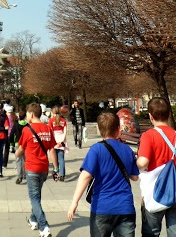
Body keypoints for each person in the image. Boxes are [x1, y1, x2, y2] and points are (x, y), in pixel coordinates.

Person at [67, 111, 139, 237]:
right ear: (118, 129)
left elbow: (85, 176)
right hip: (125, 207)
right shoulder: (127, 149)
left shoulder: (96, 149)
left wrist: (74, 202)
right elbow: (134, 177)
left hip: (102, 206)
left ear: (100, 130)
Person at [16, 102, 59, 237]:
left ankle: (44, 226)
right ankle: (33, 220)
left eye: (28, 114)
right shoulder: (47, 129)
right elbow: (52, 149)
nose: (26, 116)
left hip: (32, 168)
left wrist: (16, 154)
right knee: (37, 196)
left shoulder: (27, 130)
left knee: (34, 198)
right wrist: (56, 168)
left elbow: (21, 148)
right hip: (44, 169)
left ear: (32, 114)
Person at [137, 97, 176, 236]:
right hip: (175, 190)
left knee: (151, 232)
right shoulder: (175, 135)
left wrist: (135, 162)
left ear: (150, 116)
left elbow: (143, 163)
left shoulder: (149, 136)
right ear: (169, 114)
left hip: (153, 191)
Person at [48, 105, 68, 182]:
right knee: (61, 158)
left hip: (54, 140)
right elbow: (65, 132)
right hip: (62, 139)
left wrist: (55, 142)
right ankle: (62, 174)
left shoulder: (51, 121)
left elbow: (51, 132)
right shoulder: (63, 120)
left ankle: (56, 174)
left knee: (54, 159)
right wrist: (62, 141)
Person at [9, 109, 28, 184]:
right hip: (25, 144)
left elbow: (11, 135)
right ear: (25, 117)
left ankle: (19, 176)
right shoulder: (27, 125)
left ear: (19, 117)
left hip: (17, 144)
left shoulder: (16, 125)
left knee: (18, 160)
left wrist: (11, 143)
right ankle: (25, 174)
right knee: (25, 159)